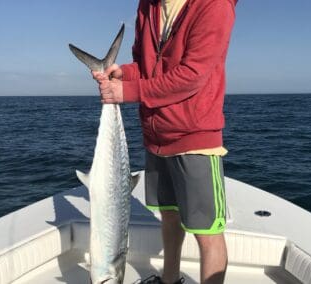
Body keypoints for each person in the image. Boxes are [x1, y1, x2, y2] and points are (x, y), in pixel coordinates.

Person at [93, 0, 237, 283]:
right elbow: (144, 64)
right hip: (156, 136)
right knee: (169, 216)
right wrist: (123, 73)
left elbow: (191, 76)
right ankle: (169, 280)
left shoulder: (214, 5)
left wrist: (128, 91)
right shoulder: (148, 5)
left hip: (195, 137)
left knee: (207, 232)